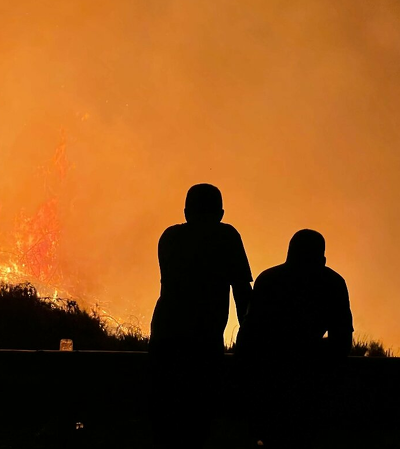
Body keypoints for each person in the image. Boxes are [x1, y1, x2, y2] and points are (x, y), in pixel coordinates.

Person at [149, 183, 253, 449]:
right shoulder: (227, 237)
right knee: (199, 420)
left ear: (185, 212)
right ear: (221, 213)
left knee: (166, 420)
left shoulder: (170, 237)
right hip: (204, 340)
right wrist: (252, 340)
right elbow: (242, 293)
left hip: (165, 335)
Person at [236, 229, 353, 448]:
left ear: (288, 254)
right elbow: (342, 341)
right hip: (309, 386)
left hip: (269, 381)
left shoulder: (269, 280)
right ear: (323, 259)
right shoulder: (333, 283)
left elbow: (248, 337)